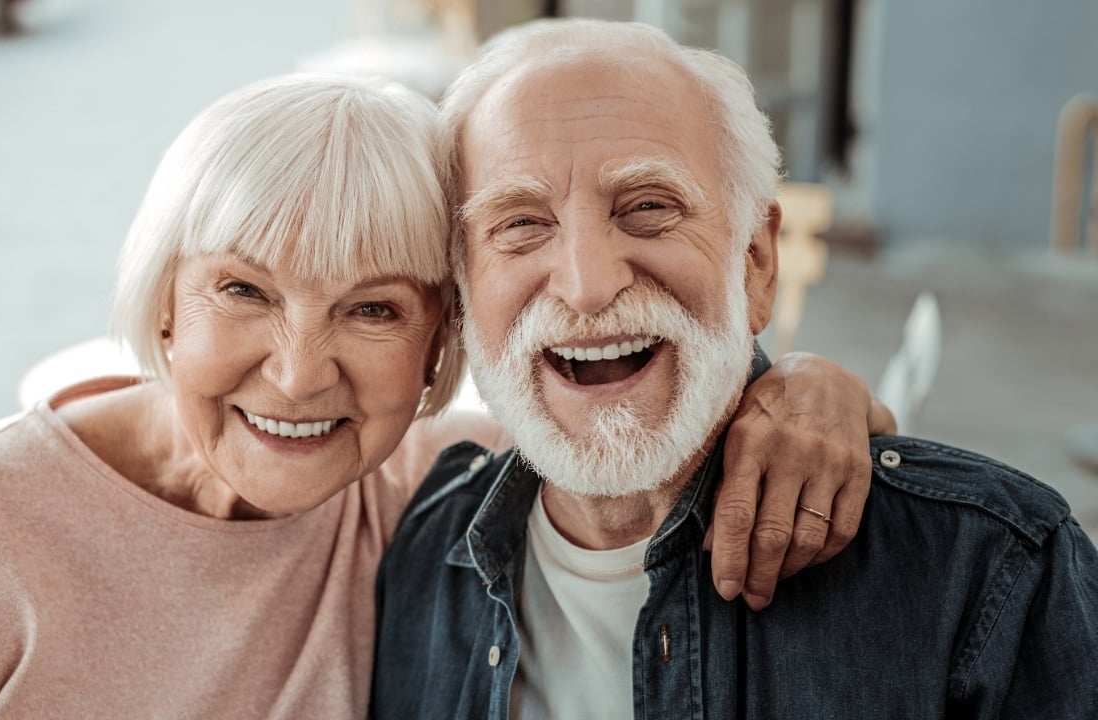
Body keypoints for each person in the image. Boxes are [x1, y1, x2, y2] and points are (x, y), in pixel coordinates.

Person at [0, 73, 887, 717]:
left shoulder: (429, 487)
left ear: (439, 346)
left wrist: (803, 384)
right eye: (242, 290)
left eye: (372, 311)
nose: (296, 374)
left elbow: (628, 422)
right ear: (162, 305)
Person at [371, 18, 1098, 720]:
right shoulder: (415, 551)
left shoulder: (990, 572)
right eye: (521, 223)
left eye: (648, 207)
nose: (587, 284)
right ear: (462, 294)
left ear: (755, 263)